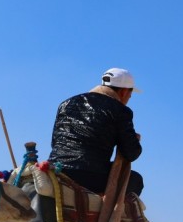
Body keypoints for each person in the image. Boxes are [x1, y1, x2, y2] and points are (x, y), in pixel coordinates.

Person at [48, 68, 144, 196]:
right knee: (136, 180)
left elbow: (55, 142)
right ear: (124, 92)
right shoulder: (121, 111)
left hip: (57, 169)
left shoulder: (66, 103)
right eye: (130, 96)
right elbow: (131, 153)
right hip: (90, 176)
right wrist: (134, 140)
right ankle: (110, 215)